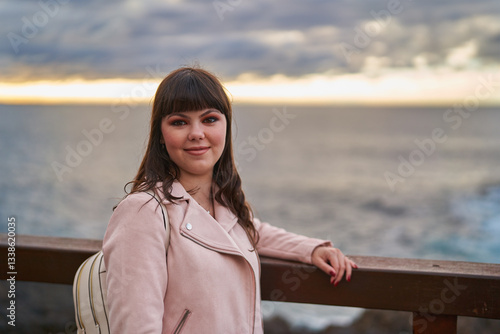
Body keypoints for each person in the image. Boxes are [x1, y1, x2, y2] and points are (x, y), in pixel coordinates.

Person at [102, 66, 357, 333]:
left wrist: (311, 249)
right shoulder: (142, 212)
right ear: (161, 137)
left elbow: (249, 231)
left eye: (209, 119)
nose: (196, 133)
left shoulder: (222, 205)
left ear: (225, 125)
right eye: (179, 122)